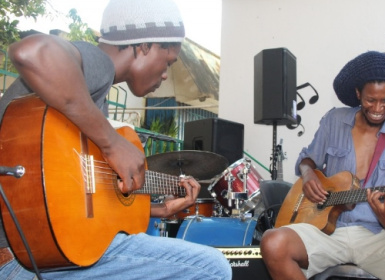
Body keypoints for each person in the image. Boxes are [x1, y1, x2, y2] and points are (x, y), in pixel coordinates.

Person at [0, 0, 232, 279]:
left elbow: (83, 204)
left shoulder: (90, 101)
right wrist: (112, 142)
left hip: (32, 254)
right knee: (211, 267)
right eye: (168, 61)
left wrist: (160, 209)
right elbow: (31, 51)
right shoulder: (98, 64)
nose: (165, 74)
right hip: (17, 259)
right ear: (145, 45)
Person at [260, 51, 385, 280]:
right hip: (326, 233)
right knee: (272, 242)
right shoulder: (334, 120)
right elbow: (307, 159)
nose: (378, 108)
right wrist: (308, 175)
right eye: (370, 100)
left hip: (380, 234)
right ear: (357, 94)